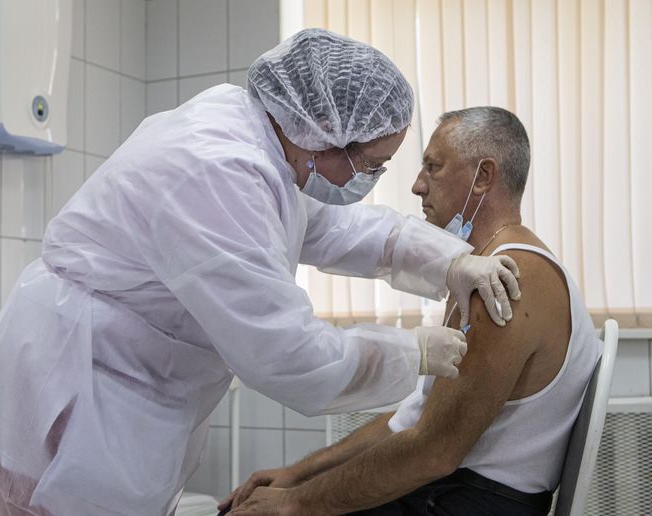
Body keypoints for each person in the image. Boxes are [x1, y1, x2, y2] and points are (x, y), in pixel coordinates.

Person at [0, 31, 521, 516]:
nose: (377, 178)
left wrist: (451, 260)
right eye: (370, 163)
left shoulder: (266, 139)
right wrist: (410, 353)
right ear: (324, 133)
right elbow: (287, 353)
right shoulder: (214, 169)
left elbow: (331, 230)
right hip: (78, 385)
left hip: (124, 381)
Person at [224, 107, 603, 516]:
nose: (417, 186)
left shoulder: (511, 276)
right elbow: (414, 420)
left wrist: (294, 504)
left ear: (484, 177)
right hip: (453, 490)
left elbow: (433, 451)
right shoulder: (482, 268)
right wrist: (295, 475)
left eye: (433, 167)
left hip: (467, 501)